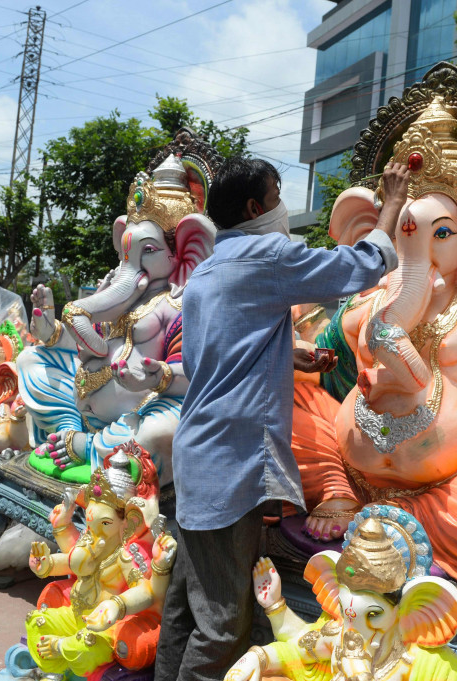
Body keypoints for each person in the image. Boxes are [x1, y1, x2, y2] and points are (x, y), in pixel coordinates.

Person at [154, 157, 408, 681]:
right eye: (275, 193)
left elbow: (222, 348)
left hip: (196, 455)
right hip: (227, 462)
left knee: (184, 607)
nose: (281, 204)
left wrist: (291, 355)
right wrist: (392, 207)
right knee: (223, 625)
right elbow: (358, 267)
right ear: (254, 207)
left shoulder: (208, 270)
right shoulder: (267, 254)